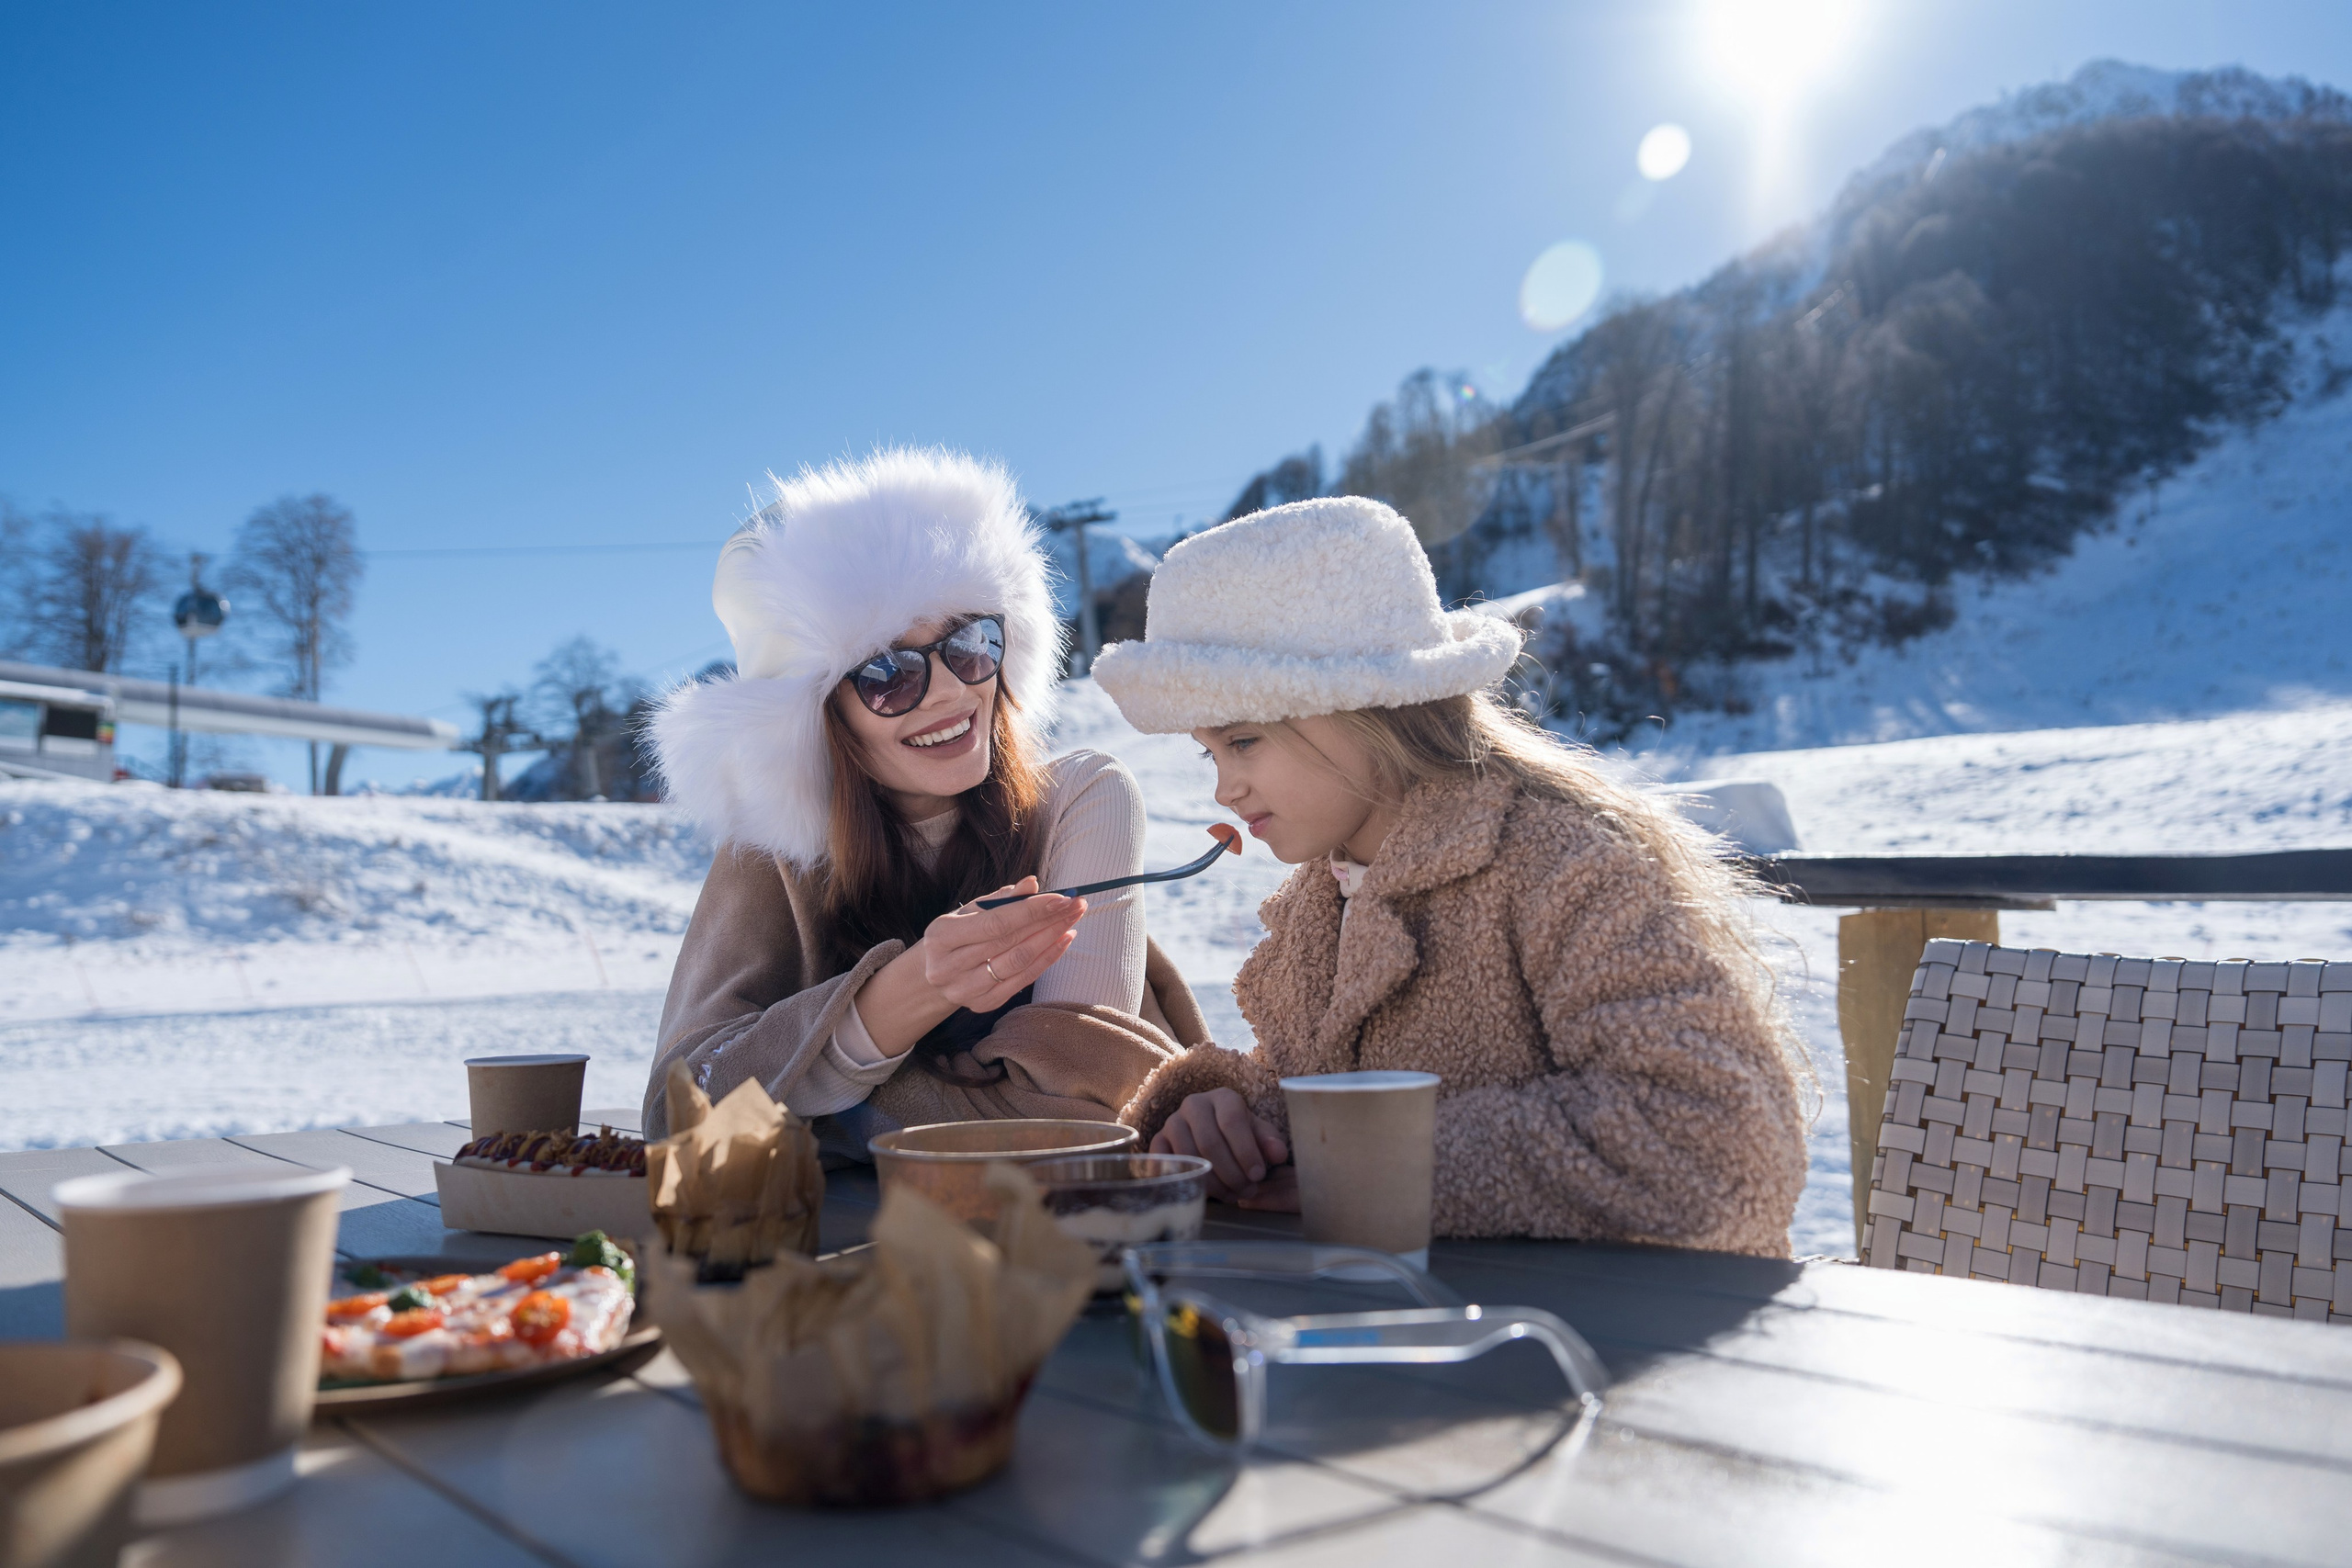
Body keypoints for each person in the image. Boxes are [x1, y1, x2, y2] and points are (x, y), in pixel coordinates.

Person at [1091, 496, 1808, 1257]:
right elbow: (1321, 1095)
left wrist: (1380, 1164)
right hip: (1417, 1332)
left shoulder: (1562, 863)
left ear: (1366, 705)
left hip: (1623, 1338)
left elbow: (1725, 1143)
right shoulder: (1320, 901)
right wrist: (1225, 1115)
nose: (1223, 788)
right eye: (1211, 752)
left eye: (1243, 740)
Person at [641, 448, 1205, 1152]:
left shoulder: (1081, 801)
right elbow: (681, 1116)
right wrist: (905, 994)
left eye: (969, 642)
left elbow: (1072, 1119)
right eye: (886, 671)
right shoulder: (778, 853)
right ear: (818, 715)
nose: (949, 691)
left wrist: (831, 1104)